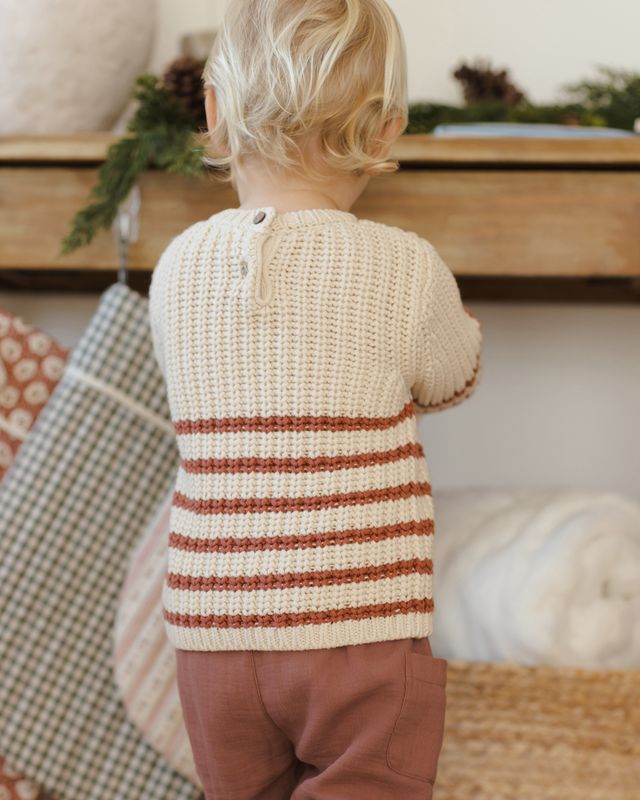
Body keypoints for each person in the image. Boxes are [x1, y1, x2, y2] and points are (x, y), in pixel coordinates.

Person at [148, 1, 483, 797]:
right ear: (385, 131)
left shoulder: (177, 266)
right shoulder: (404, 266)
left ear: (213, 111)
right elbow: (453, 374)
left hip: (212, 634)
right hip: (355, 622)